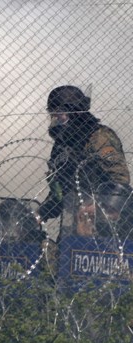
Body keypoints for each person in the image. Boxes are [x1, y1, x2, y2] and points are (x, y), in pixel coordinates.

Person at [37, 86, 131, 238]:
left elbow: (120, 180)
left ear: (74, 113)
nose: (55, 119)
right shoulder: (62, 146)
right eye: (52, 114)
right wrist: (40, 214)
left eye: (59, 114)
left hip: (103, 225)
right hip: (74, 221)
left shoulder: (99, 137)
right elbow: (59, 191)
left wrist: (97, 207)